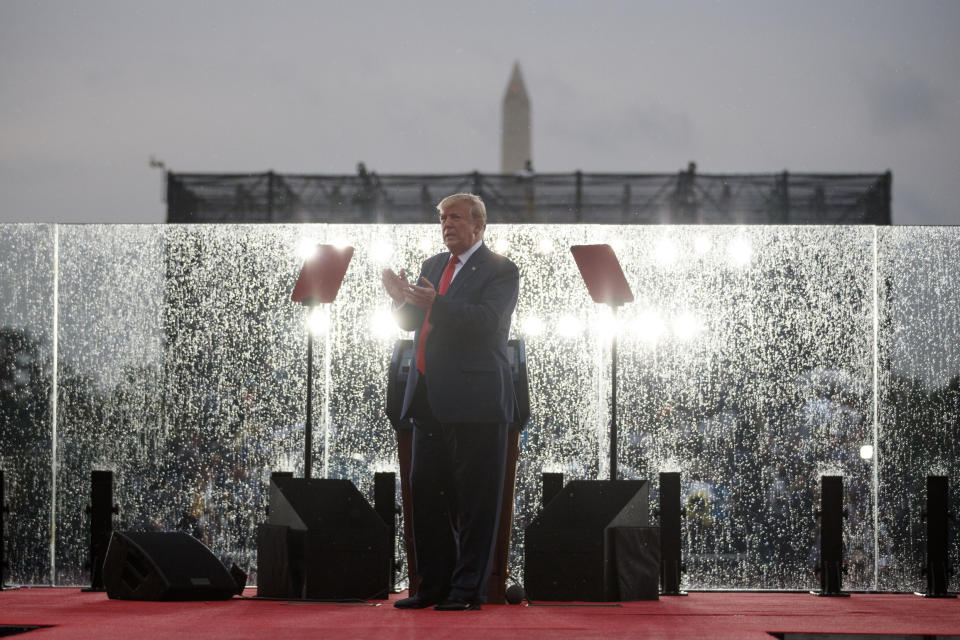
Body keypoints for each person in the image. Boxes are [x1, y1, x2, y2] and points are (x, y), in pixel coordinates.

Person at [381, 193, 520, 611]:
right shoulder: (432, 266)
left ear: (478, 225)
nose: (447, 224)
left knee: (475, 503)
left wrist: (433, 303)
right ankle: (433, 587)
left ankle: (466, 592)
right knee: (424, 497)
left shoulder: (500, 269)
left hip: (476, 401)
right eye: (443, 218)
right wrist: (400, 298)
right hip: (427, 399)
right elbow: (411, 322)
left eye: (456, 217)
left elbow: (488, 322)